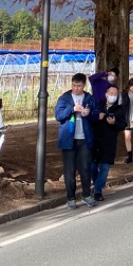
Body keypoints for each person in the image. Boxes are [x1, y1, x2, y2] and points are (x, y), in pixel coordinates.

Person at [55, 73, 97, 209]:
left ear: (84, 85)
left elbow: (96, 116)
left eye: (79, 86)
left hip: (85, 138)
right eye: (74, 85)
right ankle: (71, 198)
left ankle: (86, 195)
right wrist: (72, 109)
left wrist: (88, 114)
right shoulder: (65, 98)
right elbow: (58, 115)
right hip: (69, 140)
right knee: (69, 171)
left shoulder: (89, 98)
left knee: (85, 168)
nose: (76, 88)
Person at [92, 82, 127, 201]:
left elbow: (123, 125)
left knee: (105, 167)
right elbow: (91, 118)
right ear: (106, 94)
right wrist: (98, 117)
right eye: (111, 93)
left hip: (109, 142)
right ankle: (97, 185)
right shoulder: (98, 105)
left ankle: (97, 190)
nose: (113, 95)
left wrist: (114, 123)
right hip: (96, 141)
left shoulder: (120, 109)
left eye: (115, 94)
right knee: (93, 166)